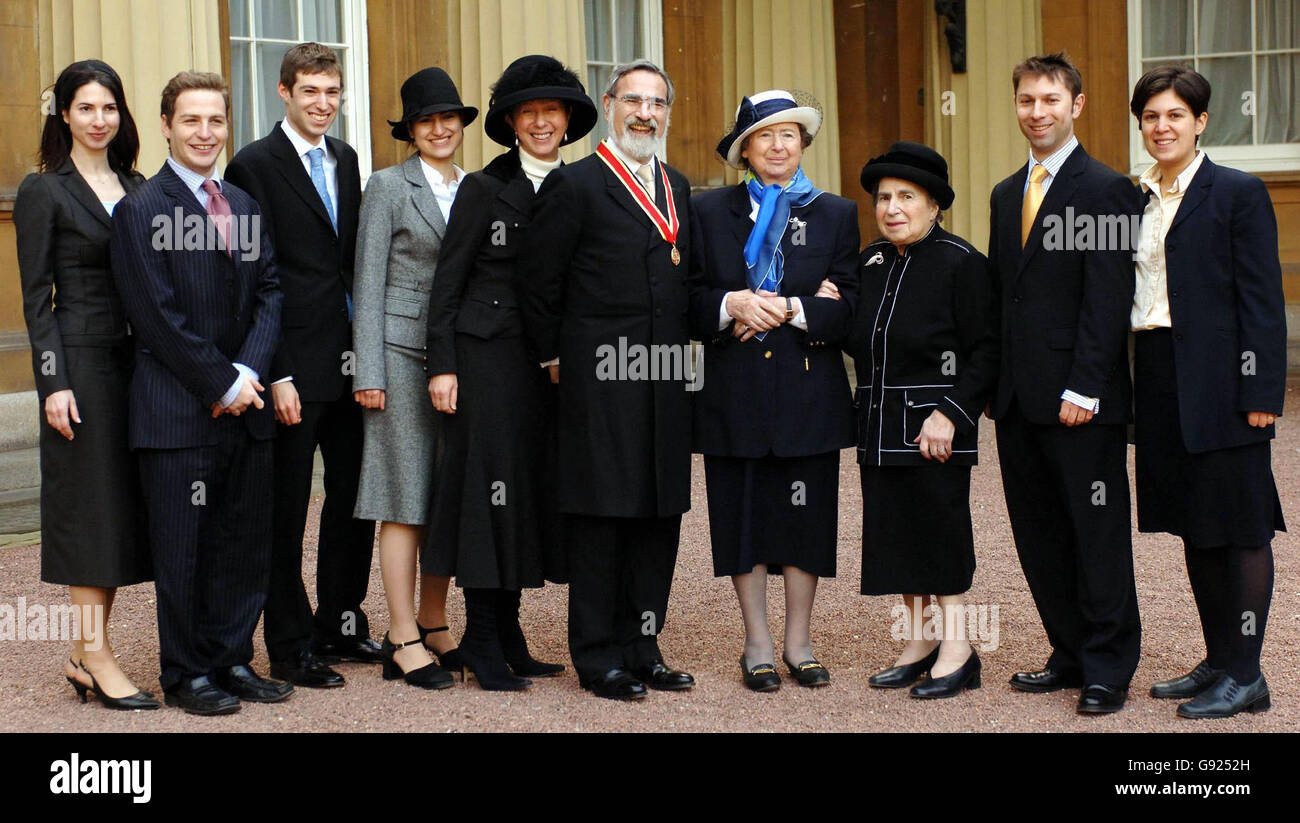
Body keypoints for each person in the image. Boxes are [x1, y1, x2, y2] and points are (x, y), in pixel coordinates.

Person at [111, 71, 288, 715]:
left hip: (244, 407)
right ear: (166, 126)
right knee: (185, 549)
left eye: (215, 121)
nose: (205, 133)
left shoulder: (242, 206)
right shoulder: (141, 209)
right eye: (191, 120)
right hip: (177, 413)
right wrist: (220, 382)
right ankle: (187, 674)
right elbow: (154, 316)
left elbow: (270, 290)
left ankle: (232, 658)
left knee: (241, 542)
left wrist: (246, 375)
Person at [519, 59, 696, 701]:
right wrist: (552, 358)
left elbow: (691, 285)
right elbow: (539, 285)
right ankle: (597, 655)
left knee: (658, 513)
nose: (645, 113)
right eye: (634, 100)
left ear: (667, 113)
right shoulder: (575, 185)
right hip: (598, 379)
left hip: (668, 378)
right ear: (610, 103)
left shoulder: (677, 186)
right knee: (601, 516)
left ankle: (643, 645)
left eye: (657, 103)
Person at [424, 55, 596, 690]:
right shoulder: (482, 188)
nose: (542, 122)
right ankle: (483, 639)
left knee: (524, 493)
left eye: (552, 111)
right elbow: (448, 284)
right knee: (486, 497)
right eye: (529, 112)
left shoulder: (584, 186)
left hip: (549, 367)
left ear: (568, 119)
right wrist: (442, 365)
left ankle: (511, 634)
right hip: (485, 359)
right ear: (511, 122)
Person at [1128, 66, 1286, 719]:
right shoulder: (1134, 198)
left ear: (1201, 122)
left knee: (1241, 523)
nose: (1162, 127)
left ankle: (1247, 673)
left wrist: (1261, 388)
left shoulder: (1237, 192)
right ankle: (1221, 659)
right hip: (1160, 373)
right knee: (1196, 523)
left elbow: (1262, 299)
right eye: (1151, 117)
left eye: (1174, 115)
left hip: (1225, 379)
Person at [987, 53, 1143, 714]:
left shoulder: (1108, 190)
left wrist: (1086, 387)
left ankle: (1108, 664)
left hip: (1081, 401)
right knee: (1040, 534)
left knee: (1096, 532)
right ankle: (1070, 649)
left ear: (1075, 105)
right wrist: (996, 388)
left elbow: (1107, 300)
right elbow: (1004, 296)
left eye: (1050, 99)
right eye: (1026, 100)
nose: (1037, 111)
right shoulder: (1003, 194)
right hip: (1018, 399)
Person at [689, 90, 859, 692]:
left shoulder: (835, 212)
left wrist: (790, 309)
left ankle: (800, 642)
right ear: (745, 149)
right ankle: (756, 642)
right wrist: (730, 305)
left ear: (804, 143)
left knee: (804, 519)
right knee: (741, 517)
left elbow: (849, 311)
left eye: (789, 134)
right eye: (765, 136)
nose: (778, 145)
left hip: (807, 391)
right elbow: (688, 299)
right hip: (732, 389)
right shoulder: (708, 211)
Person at [225, 42, 380, 690]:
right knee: (285, 512)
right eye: (310, 91)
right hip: (290, 368)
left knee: (354, 501)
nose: (323, 103)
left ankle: (340, 622)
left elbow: (347, 263)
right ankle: (289, 646)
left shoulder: (346, 161)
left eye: (332, 92)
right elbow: (250, 277)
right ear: (284, 91)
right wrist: (278, 371)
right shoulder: (252, 165)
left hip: (349, 361)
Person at [15, 60, 156, 710]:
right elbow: (36, 298)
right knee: (88, 507)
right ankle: (95, 652)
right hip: (77, 364)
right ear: (64, 115)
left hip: (135, 366)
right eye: (86, 108)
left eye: (109, 108)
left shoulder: (137, 183)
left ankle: (81, 652)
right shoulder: (44, 191)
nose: (99, 120)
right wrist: (52, 383)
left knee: (121, 507)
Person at [844, 142, 998, 698]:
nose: (892, 208)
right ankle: (919, 641)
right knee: (894, 533)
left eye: (906, 196)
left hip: (937, 426)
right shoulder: (871, 262)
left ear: (934, 206)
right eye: (884, 197)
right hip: (880, 423)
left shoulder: (963, 262)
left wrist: (951, 415)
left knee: (938, 529)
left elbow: (986, 350)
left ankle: (958, 647)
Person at [352, 67, 477, 690]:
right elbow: (367, 283)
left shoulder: (474, 188)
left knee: (445, 495)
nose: (439, 128)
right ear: (411, 131)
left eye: (448, 118)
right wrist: (367, 372)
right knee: (403, 497)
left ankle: (434, 620)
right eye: (427, 120)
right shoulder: (387, 186)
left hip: (460, 360)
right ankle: (400, 634)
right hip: (399, 359)